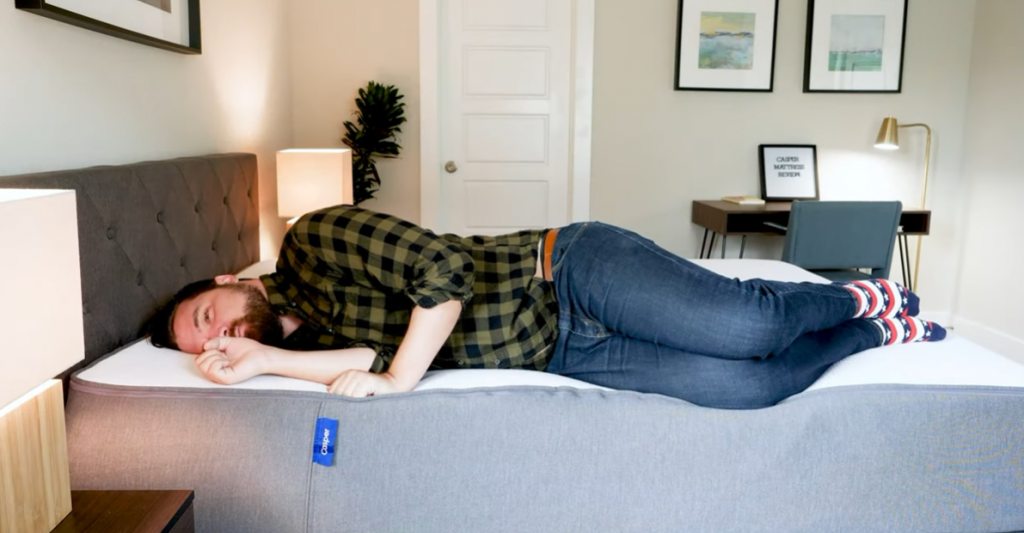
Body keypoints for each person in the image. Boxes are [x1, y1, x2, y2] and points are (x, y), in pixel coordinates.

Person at [148, 205, 946, 409]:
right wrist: (264, 358)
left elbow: (441, 268)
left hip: (567, 271)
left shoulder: (310, 242)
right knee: (753, 384)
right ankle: (869, 331)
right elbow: (366, 356)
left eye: (208, 314)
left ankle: (845, 293)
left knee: (749, 325)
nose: (219, 334)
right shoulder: (298, 343)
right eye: (205, 343)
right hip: (562, 349)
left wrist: (398, 381)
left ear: (228, 278)